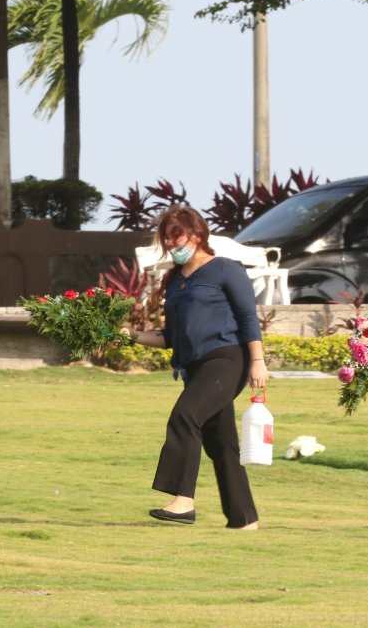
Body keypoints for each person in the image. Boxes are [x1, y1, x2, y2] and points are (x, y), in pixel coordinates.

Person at [125, 205, 267, 530]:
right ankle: (244, 519)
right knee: (221, 443)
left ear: (197, 234)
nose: (173, 245)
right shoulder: (175, 284)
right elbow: (171, 337)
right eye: (167, 240)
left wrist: (257, 361)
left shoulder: (225, 269)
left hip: (227, 359)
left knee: (185, 417)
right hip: (195, 367)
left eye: (177, 238)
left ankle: (183, 502)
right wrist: (130, 336)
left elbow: (247, 317)